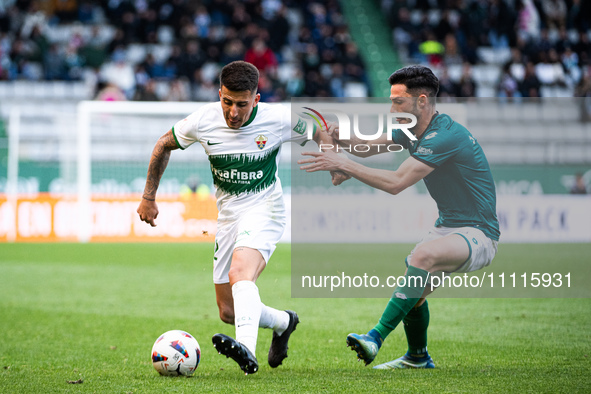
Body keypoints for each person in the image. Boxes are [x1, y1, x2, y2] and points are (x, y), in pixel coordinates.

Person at [137, 61, 342, 375]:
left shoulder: (276, 119)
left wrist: (333, 159)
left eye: (242, 104)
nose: (233, 112)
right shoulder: (203, 121)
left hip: (266, 209)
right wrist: (149, 196)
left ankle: (245, 348)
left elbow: (318, 127)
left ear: (256, 99)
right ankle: (284, 323)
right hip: (229, 217)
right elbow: (163, 144)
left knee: (240, 273)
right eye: (227, 102)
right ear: (219, 94)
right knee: (229, 310)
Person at [298, 65, 500, 369]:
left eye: (398, 102)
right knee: (414, 288)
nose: (391, 108)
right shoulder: (411, 128)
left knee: (422, 257)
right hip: (448, 227)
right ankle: (417, 357)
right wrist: (338, 138)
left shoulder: (444, 136)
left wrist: (344, 164)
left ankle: (374, 338)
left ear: (421, 101)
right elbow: (366, 148)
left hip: (479, 232)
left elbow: (396, 183)